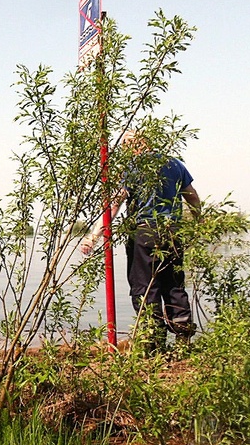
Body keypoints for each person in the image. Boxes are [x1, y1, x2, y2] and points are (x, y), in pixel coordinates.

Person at [82, 133, 201, 353]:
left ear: (131, 148)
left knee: (145, 287)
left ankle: (152, 344)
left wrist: (94, 236)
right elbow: (192, 197)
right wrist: (199, 223)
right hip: (173, 232)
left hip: (144, 233)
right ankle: (183, 343)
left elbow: (115, 204)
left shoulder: (133, 167)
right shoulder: (174, 164)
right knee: (174, 285)